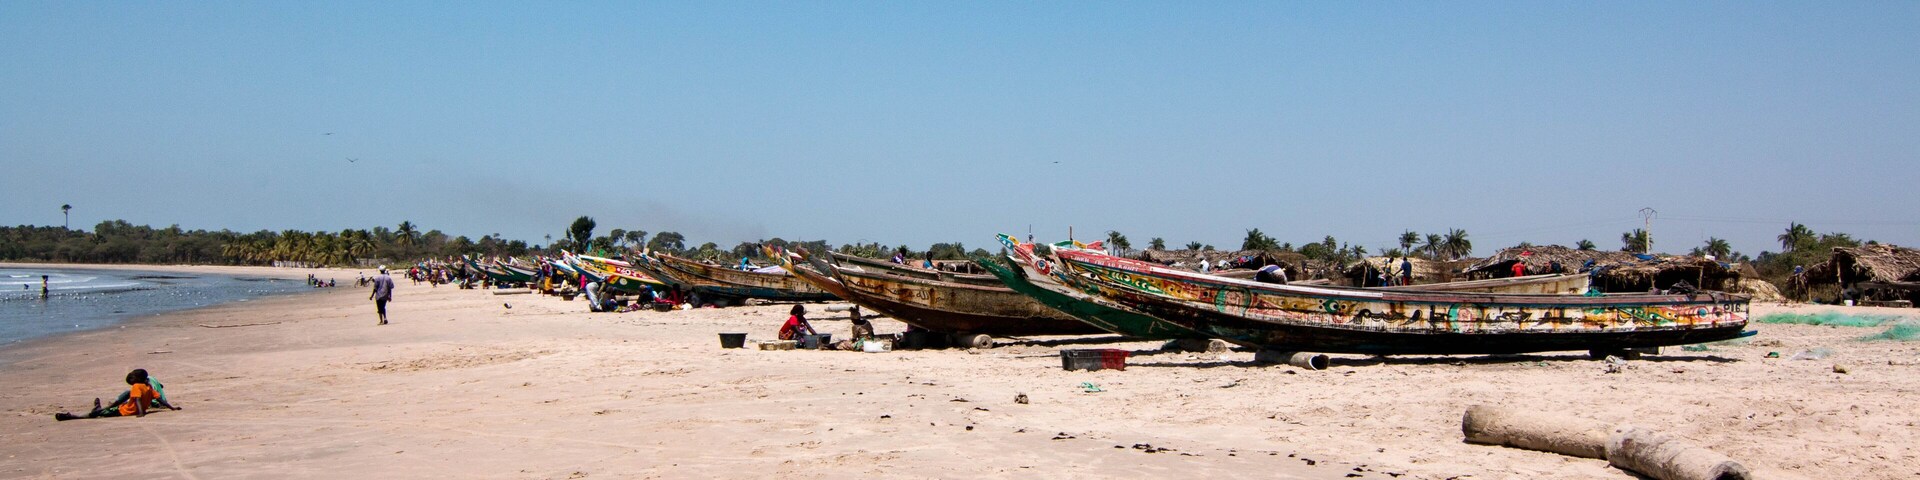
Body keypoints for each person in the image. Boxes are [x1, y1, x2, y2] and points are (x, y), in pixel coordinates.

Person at [54, 369, 178, 420]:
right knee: (101, 412)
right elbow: (160, 399)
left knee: (96, 414)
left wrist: (141, 413)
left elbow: (138, 400)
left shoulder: (136, 387)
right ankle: (98, 408)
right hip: (126, 409)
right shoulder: (149, 387)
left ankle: (72, 416)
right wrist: (172, 407)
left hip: (124, 411)